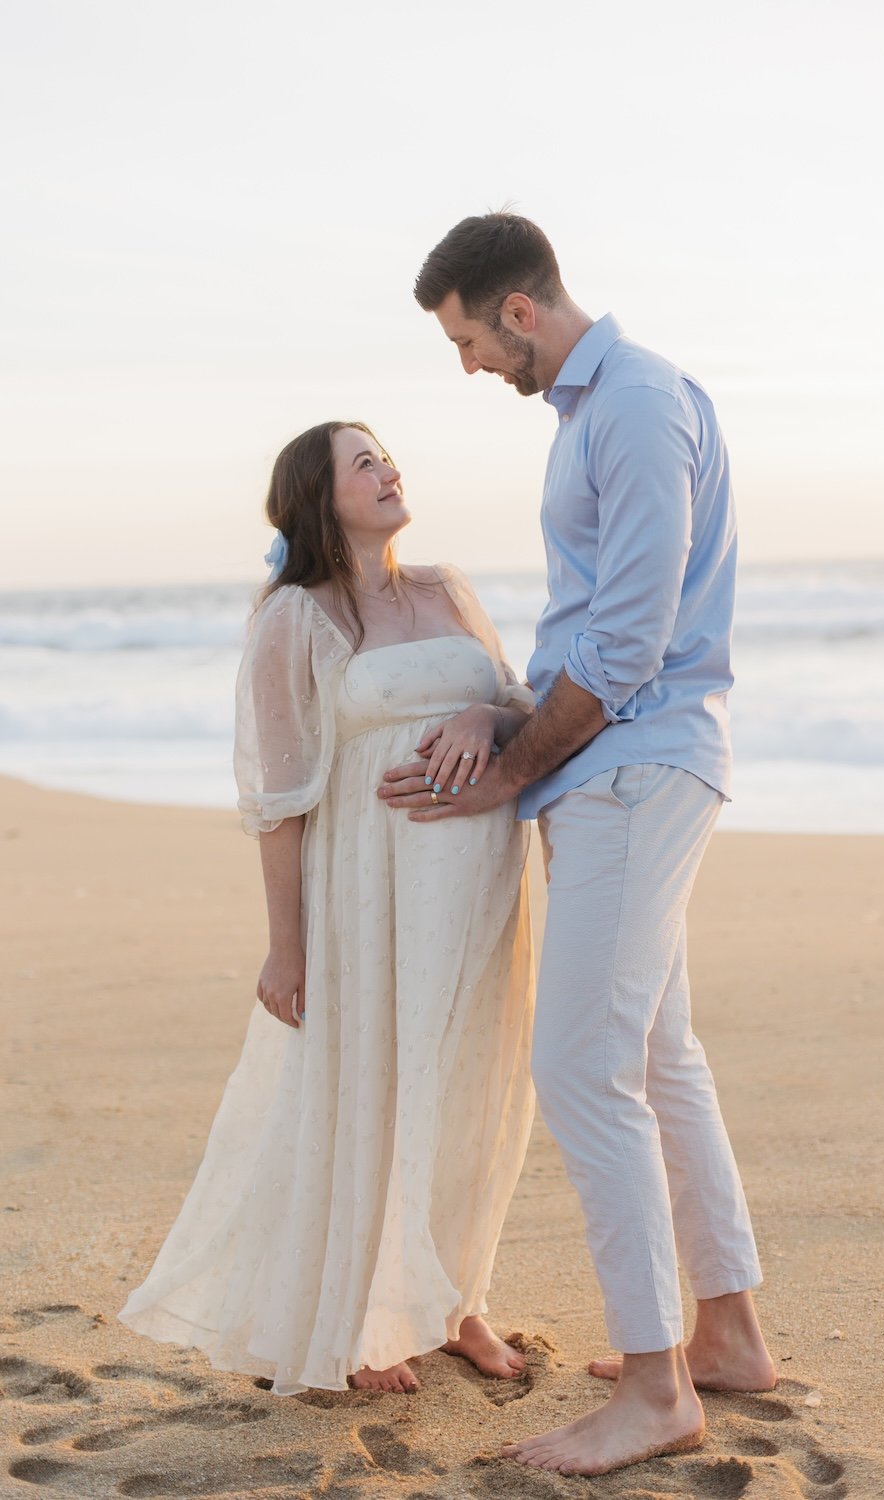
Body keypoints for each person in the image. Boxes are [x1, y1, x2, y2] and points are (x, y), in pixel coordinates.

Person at [380, 214, 775, 1473]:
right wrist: (504, 715)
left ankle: (656, 1392)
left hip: (635, 769)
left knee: (580, 1065)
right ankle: (727, 1337)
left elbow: (628, 639)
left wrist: (508, 766)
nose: (467, 368)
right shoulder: (592, 417)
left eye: (465, 339)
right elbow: (580, 634)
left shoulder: (638, 403)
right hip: (610, 766)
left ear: (519, 308)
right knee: (659, 1058)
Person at [120, 420, 536, 1395]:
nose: (389, 469)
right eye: (364, 463)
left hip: (479, 882)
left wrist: (488, 716)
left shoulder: (446, 589)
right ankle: (364, 1312)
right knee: (375, 1085)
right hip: (368, 888)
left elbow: (521, 700)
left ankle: (454, 1300)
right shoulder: (295, 618)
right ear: (322, 496)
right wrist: (287, 948)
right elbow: (278, 798)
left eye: (386, 454)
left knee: (468, 1080)